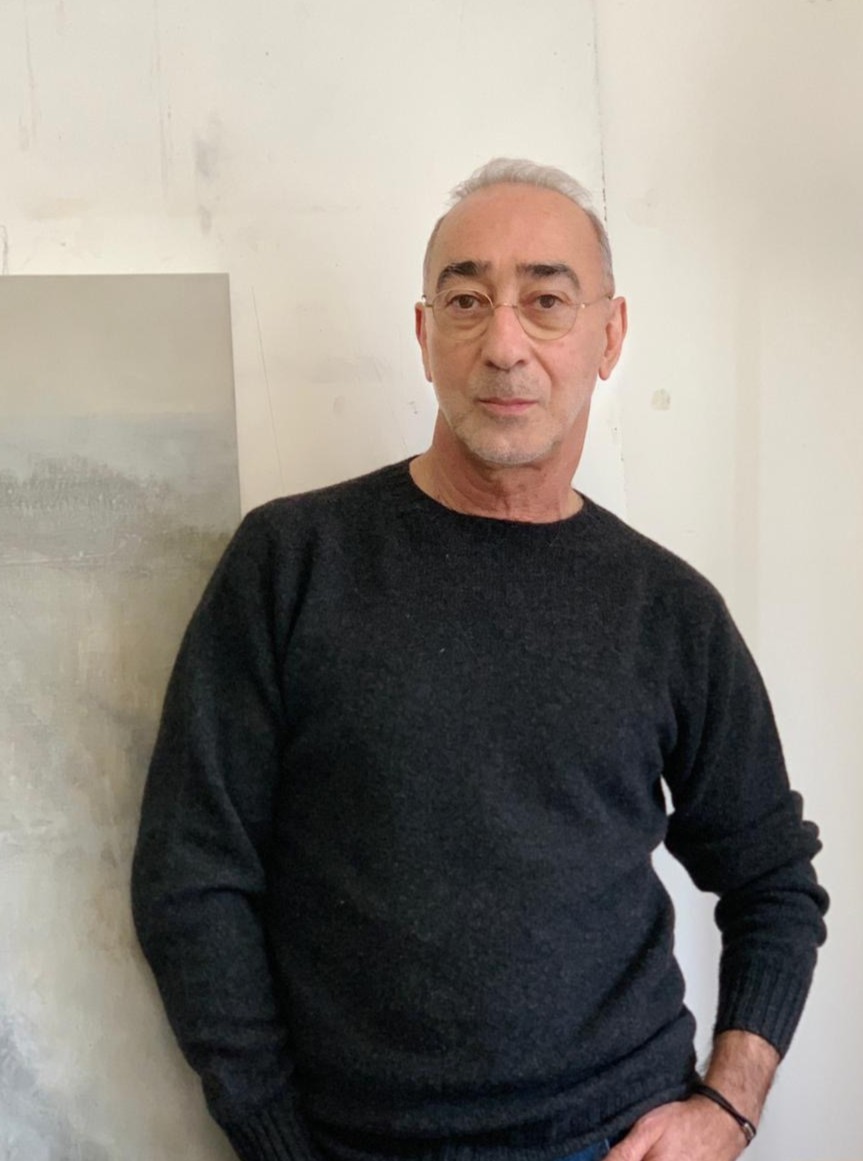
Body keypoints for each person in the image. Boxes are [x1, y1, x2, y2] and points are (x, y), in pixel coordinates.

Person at [131, 158, 828, 1161]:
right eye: (465, 301)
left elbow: (773, 882)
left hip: (614, 1139)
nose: (503, 345)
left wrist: (727, 1107)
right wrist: (273, 1137)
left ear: (608, 337)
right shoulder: (291, 564)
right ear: (424, 336)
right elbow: (191, 876)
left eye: (545, 301)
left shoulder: (667, 611)